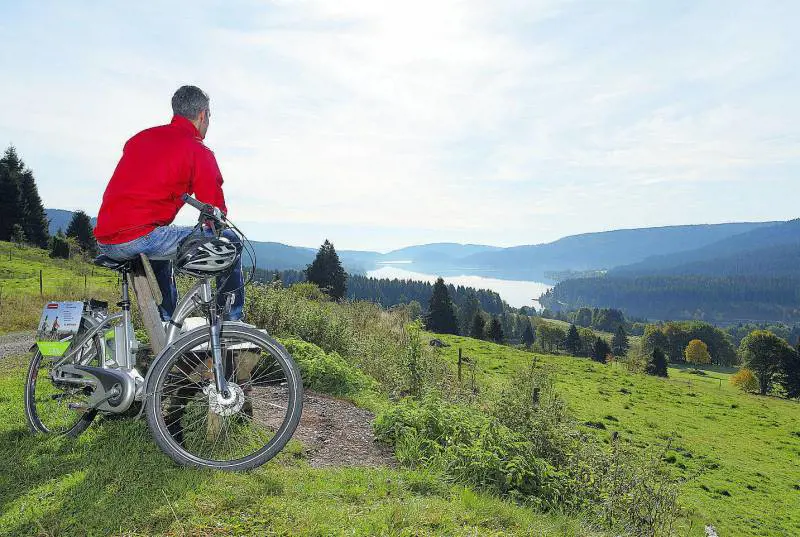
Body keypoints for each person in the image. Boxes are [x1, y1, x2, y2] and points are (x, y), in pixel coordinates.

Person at [93, 85, 244, 321]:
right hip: (140, 237)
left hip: (106, 239)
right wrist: (213, 227)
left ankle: (169, 325)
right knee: (231, 241)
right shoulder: (197, 150)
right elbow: (216, 214)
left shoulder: (139, 139)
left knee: (160, 249)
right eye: (209, 117)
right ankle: (231, 321)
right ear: (202, 115)